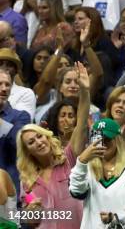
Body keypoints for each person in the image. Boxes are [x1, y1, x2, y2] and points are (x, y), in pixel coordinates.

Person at [16, 62, 91, 229]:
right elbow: (29, 220)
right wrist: (30, 212)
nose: (39, 142)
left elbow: (81, 123)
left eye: (39, 136)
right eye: (31, 142)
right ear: (28, 152)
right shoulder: (26, 180)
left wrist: (85, 91)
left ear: (48, 138)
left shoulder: (68, 158)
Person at [69, 118, 125, 229]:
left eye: (107, 139)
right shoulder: (86, 168)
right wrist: (82, 161)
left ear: (117, 140)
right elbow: (76, 191)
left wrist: (116, 217)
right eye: (98, 139)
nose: (102, 143)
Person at [0, 68, 30, 200]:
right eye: (0, 84)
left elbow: (17, 143)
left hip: (9, 191)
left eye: (8, 84)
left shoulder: (20, 116)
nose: (4, 88)